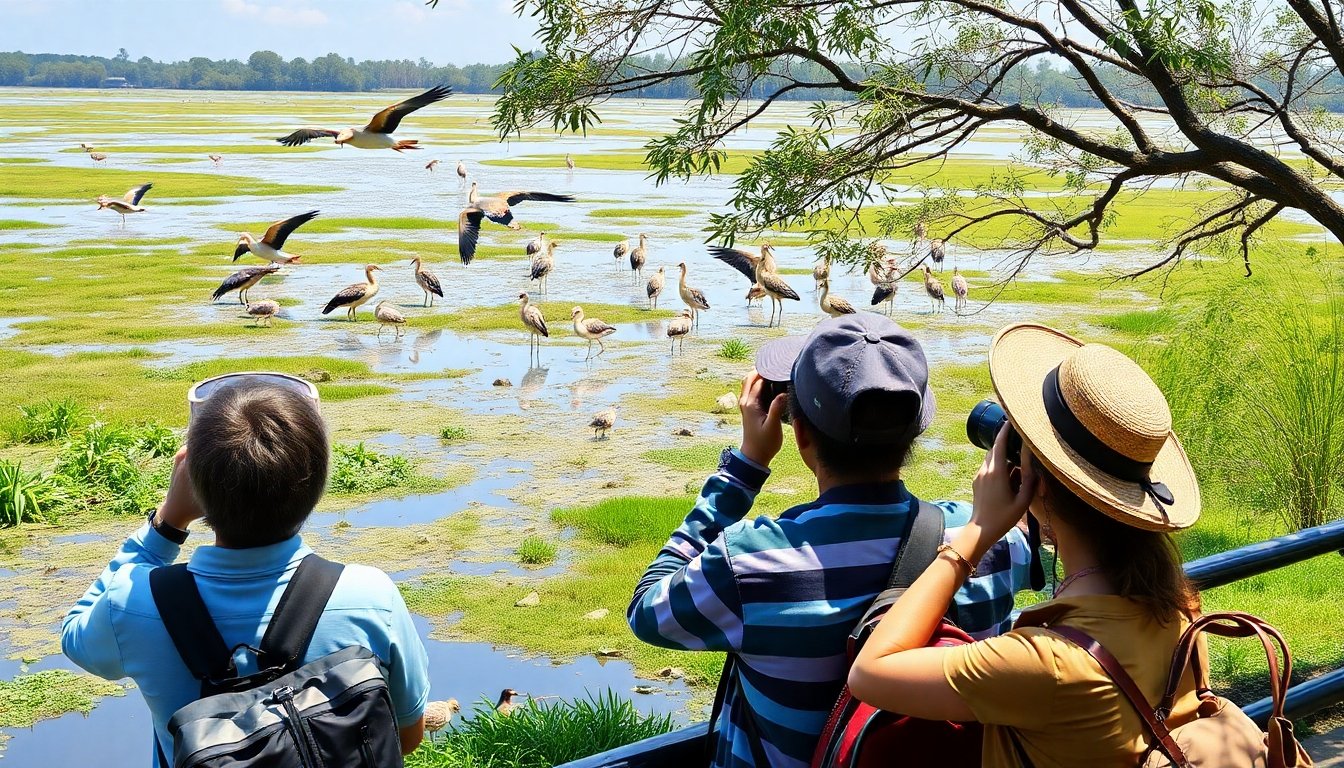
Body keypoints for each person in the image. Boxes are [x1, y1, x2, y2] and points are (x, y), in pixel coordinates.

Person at [627, 314, 1034, 768]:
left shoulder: (748, 562)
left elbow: (647, 610)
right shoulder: (993, 542)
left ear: (799, 435)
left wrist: (743, 468)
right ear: (916, 430)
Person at [848, 323, 1204, 767]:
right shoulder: (1181, 610)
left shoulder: (1045, 664)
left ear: (1039, 487)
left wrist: (977, 532)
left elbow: (869, 673)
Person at [61, 382, 430, 766]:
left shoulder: (131, 604)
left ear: (194, 483)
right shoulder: (370, 596)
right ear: (318, 483)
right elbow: (406, 733)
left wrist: (168, 523)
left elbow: (75, 636)